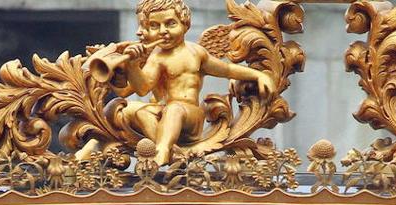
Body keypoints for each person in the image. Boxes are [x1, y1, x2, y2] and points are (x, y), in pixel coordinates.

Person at [93, 0, 276, 166]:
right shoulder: (157, 57)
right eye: (155, 26)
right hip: (164, 113)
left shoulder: (196, 53)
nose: (163, 31)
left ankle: (162, 151)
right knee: (134, 110)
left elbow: (227, 70)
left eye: (170, 23)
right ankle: (171, 150)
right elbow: (143, 89)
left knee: (175, 109)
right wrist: (132, 65)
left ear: (185, 24)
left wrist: (258, 75)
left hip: (190, 117)